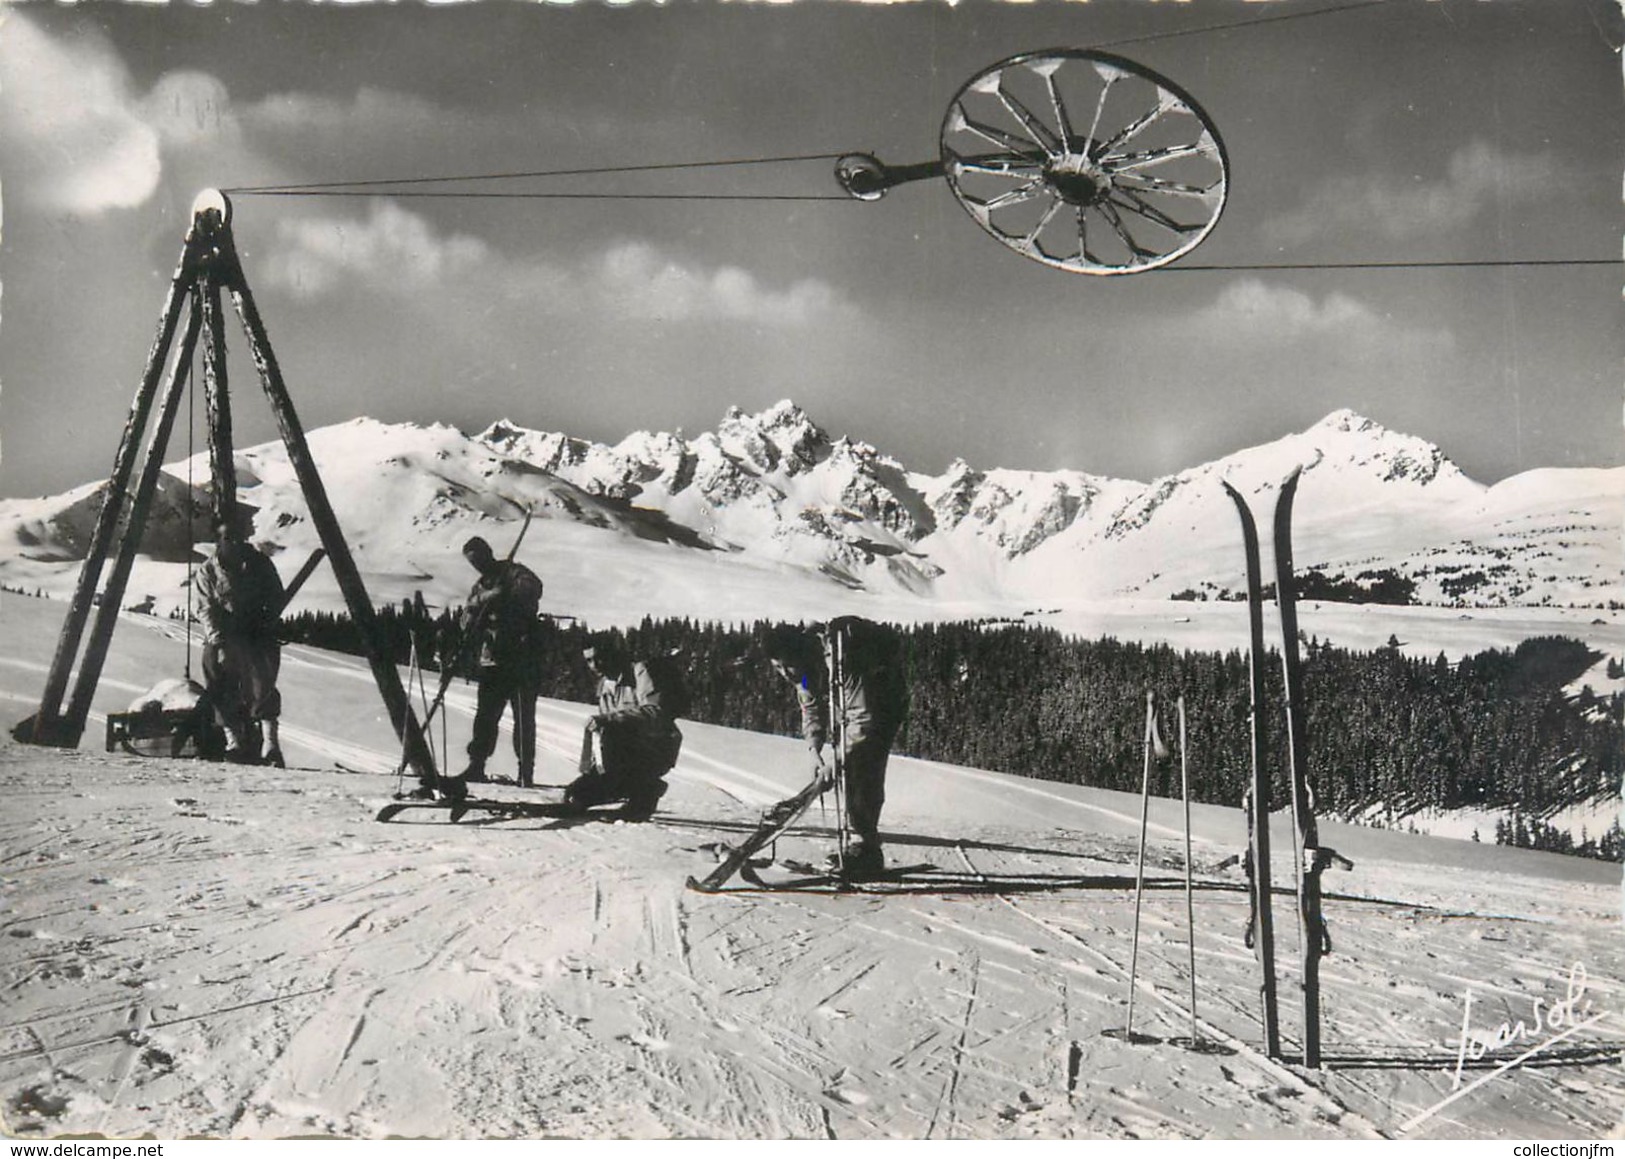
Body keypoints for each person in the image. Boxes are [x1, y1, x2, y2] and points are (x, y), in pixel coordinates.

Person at [763, 616, 908, 880]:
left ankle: (866, 849)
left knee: (861, 769)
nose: (785, 674)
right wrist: (815, 749)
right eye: (778, 668)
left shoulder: (843, 661)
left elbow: (864, 719)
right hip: (852, 709)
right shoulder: (803, 671)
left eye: (787, 667)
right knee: (845, 765)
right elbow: (810, 705)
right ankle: (858, 845)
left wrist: (838, 759)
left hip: (883, 705)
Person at [196, 514, 286, 766]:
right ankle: (233, 741)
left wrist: (266, 622)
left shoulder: (260, 564)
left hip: (258, 632)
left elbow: (275, 595)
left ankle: (270, 746)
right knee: (218, 679)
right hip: (225, 634)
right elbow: (206, 608)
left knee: (262, 684)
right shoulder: (208, 571)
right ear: (218, 540)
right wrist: (219, 641)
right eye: (227, 539)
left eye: (237, 538)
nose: (233, 544)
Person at [563, 634, 683, 821]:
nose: (595, 665)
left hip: (655, 747)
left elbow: (656, 711)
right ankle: (634, 789)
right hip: (624, 752)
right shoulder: (604, 685)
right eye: (589, 660)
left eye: (599, 657)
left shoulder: (639, 671)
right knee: (575, 795)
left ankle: (646, 792)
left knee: (619, 754)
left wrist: (611, 719)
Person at [457, 535, 544, 788]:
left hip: (521, 658)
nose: (477, 565)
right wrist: (482, 601)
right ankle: (477, 765)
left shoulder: (514, 573)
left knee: (524, 719)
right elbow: (466, 621)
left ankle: (525, 772)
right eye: (472, 562)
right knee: (485, 717)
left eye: (479, 559)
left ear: (488, 553)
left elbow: (533, 588)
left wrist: (505, 594)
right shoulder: (480, 587)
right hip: (493, 660)